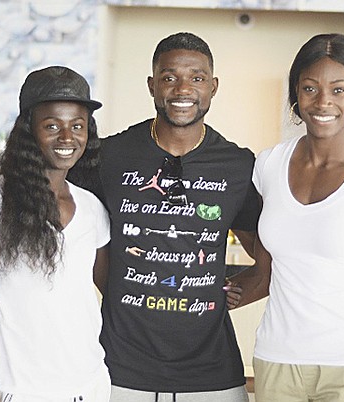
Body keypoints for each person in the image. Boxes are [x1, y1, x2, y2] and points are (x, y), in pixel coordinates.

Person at [68, 32, 260, 402]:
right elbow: (60, 224)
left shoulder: (238, 166)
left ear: (213, 87)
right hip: (118, 368)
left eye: (197, 78)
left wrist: (338, 286)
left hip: (212, 374)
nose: (182, 89)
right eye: (170, 77)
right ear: (152, 85)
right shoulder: (108, 157)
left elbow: (271, 258)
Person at [230, 33, 344, 402]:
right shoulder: (268, 166)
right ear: (296, 94)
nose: (323, 102)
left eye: (338, 89)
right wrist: (198, 292)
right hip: (276, 361)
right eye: (310, 88)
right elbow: (263, 266)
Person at [0, 66, 111, 402]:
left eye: (78, 126)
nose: (67, 138)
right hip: (24, 391)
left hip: (92, 388)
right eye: (52, 126)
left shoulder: (92, 208)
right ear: (29, 130)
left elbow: (112, 294)